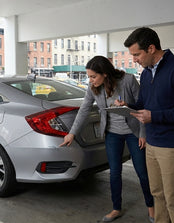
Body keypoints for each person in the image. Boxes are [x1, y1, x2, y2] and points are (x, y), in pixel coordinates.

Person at [120, 27, 174, 223]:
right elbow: (145, 104)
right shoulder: (147, 73)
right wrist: (127, 106)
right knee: (157, 193)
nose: (135, 60)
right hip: (153, 142)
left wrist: (155, 116)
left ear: (151, 48)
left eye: (137, 54)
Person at [60, 56, 154, 222]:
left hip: (133, 132)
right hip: (112, 133)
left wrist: (143, 134)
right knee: (114, 173)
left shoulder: (128, 80)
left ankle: (151, 208)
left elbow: (144, 105)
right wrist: (72, 133)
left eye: (93, 76)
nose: (90, 80)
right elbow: (84, 110)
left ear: (104, 73)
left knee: (142, 173)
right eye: (88, 76)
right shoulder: (93, 88)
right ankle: (116, 208)